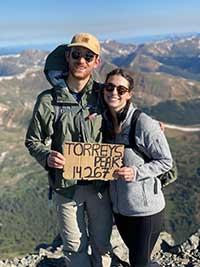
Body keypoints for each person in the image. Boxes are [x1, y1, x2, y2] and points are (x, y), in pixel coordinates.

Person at [25, 33, 113, 267]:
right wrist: (47, 156)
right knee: (74, 248)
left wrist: (151, 126)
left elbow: (129, 118)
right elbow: (33, 141)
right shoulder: (48, 101)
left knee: (103, 245)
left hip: (99, 187)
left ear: (96, 61)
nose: (81, 60)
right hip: (66, 187)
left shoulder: (104, 95)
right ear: (67, 56)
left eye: (88, 56)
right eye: (76, 54)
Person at [102, 68, 173, 267]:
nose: (114, 92)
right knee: (141, 260)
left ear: (129, 94)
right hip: (120, 210)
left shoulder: (143, 123)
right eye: (109, 87)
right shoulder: (103, 121)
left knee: (138, 262)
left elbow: (166, 161)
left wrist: (136, 172)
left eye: (121, 89)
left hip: (145, 212)